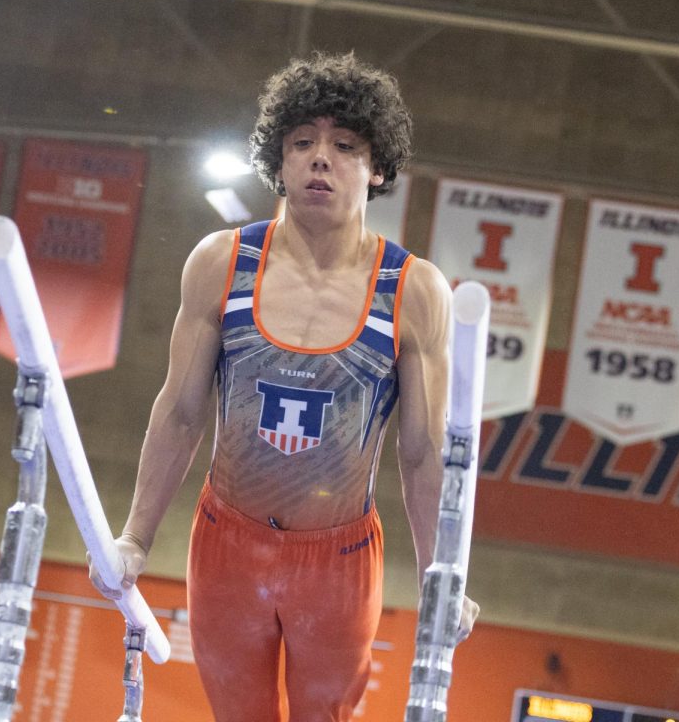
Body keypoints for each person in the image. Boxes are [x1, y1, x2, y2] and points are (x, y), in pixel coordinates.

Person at [90, 51, 478, 721]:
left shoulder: (413, 291)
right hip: (227, 544)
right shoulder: (222, 262)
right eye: (301, 143)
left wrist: (442, 578)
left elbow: (422, 454)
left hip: (339, 559)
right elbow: (181, 412)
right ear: (279, 160)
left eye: (344, 145)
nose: (319, 158)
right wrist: (134, 539)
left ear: (378, 166)